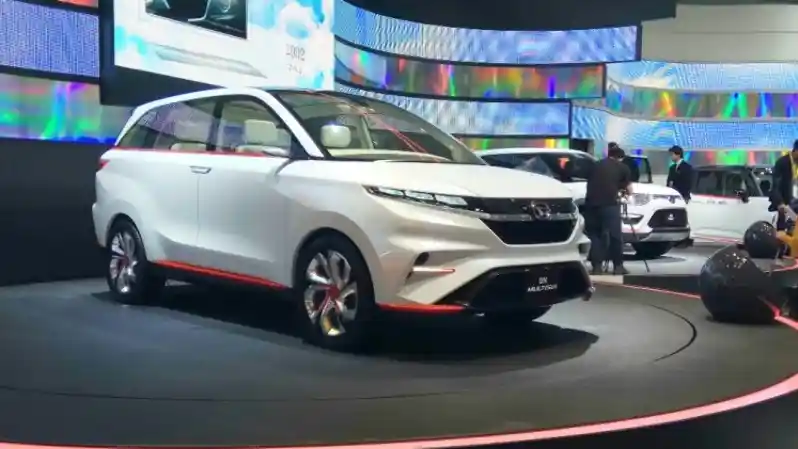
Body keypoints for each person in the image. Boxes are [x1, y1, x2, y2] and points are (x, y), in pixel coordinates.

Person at [584, 146, 632, 275]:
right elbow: (629, 190)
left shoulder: (595, 165)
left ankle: (597, 267)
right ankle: (618, 266)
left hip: (591, 205)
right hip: (609, 205)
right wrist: (624, 193)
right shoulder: (623, 167)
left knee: (595, 235)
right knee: (615, 236)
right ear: (620, 158)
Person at [769, 140, 798, 231]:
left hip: (795, 203)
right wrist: (780, 203)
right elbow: (776, 186)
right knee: (782, 230)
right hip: (784, 204)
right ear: (796, 150)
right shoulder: (782, 163)